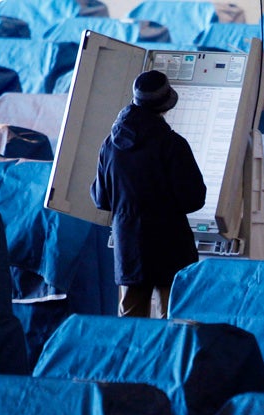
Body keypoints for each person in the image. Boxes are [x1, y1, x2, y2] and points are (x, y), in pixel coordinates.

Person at [91, 69, 206, 318]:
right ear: (164, 106)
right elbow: (194, 198)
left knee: (130, 325)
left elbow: (100, 198)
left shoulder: (110, 145)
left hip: (129, 246)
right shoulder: (173, 144)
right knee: (174, 320)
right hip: (170, 246)